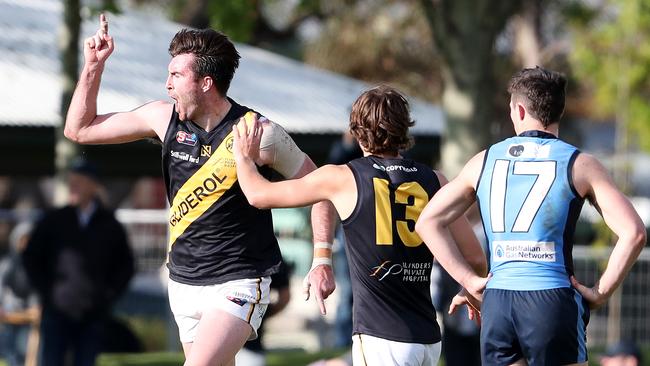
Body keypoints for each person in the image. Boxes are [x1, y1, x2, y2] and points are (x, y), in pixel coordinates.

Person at [63, 14, 335, 365]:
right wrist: (93, 67)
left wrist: (323, 259)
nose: (167, 85)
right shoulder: (164, 119)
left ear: (206, 83)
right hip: (184, 282)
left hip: (237, 280)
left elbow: (322, 191)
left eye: (176, 75)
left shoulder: (258, 132)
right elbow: (79, 130)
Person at [233, 85, 486, 366]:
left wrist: (243, 158)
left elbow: (258, 195)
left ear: (356, 130)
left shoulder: (343, 177)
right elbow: (475, 256)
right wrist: (469, 287)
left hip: (382, 337)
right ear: (405, 129)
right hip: (428, 338)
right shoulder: (436, 180)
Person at [415, 66, 647, 366]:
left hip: (499, 302)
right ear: (558, 112)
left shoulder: (483, 161)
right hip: (551, 300)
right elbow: (634, 232)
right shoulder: (580, 163)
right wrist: (601, 292)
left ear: (520, 110)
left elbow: (428, 222)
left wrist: (469, 280)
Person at [22, 159, 135, 366]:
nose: (73, 187)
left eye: (79, 182)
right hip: (57, 312)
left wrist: (107, 295)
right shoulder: (54, 220)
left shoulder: (109, 224)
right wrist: (47, 291)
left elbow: (126, 265)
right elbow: (31, 257)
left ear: (93, 186)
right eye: (71, 182)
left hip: (93, 313)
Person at [235, 260, 292, 366]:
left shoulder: (269, 256)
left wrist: (262, 314)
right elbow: (285, 297)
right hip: (247, 346)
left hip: (249, 347)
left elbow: (284, 297)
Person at [0, 222, 39, 366]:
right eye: (22, 240)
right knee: (12, 352)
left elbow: (37, 289)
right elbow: (1, 285)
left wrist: (36, 306)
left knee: (28, 349)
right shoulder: (9, 263)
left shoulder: (36, 264)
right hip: (10, 312)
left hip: (29, 314)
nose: (25, 244)